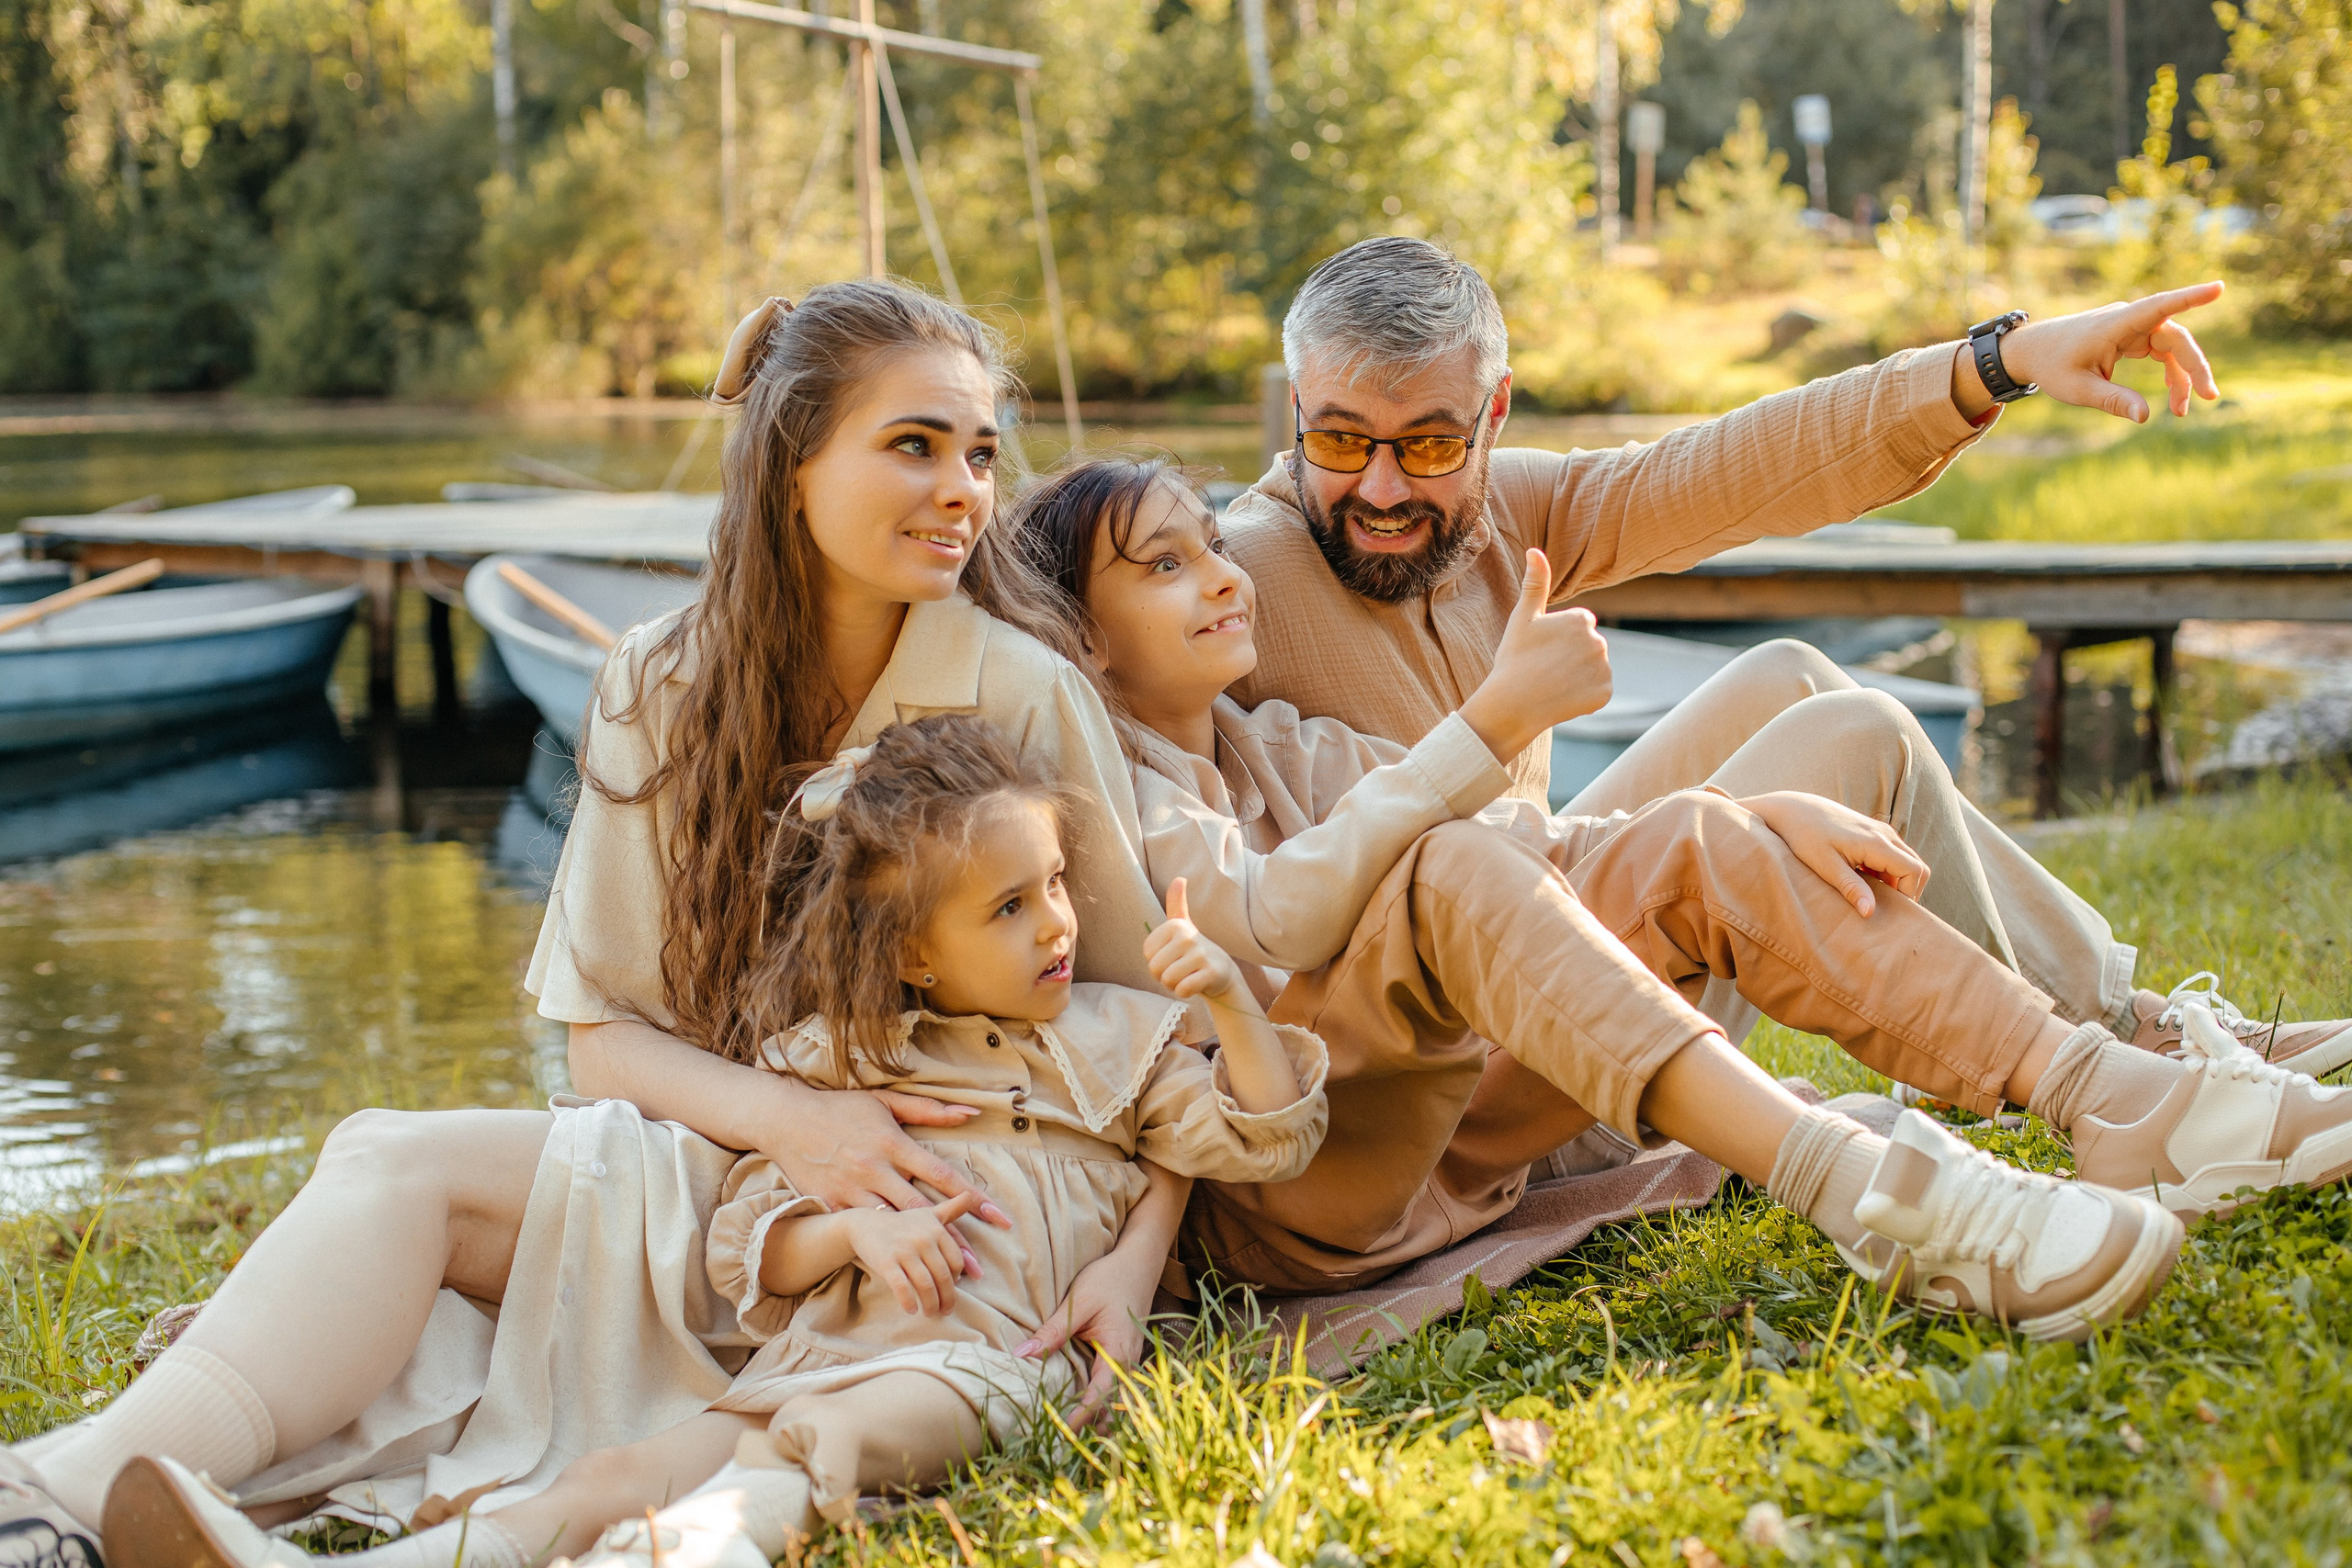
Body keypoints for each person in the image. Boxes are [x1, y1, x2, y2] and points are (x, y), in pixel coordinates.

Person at [0, 282, 1183, 1565]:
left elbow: (1158, 1030)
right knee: (391, 1158)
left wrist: (1132, 1268)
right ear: (790, 461)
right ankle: (54, 1497)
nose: (964, 485)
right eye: (915, 443)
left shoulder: (1021, 692)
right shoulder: (658, 680)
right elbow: (602, 1042)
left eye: (980, 450)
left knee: (425, 1310)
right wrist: (800, 1123)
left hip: (949, 1231)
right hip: (722, 1181)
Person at [1008, 453, 2352, 1317]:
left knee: (1664, 829)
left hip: (1450, 1107)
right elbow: (1282, 911)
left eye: (1211, 545)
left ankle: (2114, 1090)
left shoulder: (1281, 737)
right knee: (1462, 851)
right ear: (1082, 636)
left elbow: (1555, 852)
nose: (1224, 574)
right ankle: (1883, 1185)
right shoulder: (1113, 795)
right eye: (1165, 565)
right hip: (1308, 1175)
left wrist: (1738, 821)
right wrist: (1489, 724)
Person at [100, 716, 1332, 1568]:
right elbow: (750, 1244)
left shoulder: (1121, 1043)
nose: (1058, 922)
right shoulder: (852, 1068)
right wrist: (851, 1222)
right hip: (805, 1365)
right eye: (1010, 906)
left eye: (1057, 882)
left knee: (854, 1430)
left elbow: (1267, 1130)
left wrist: (1228, 997)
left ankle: (725, 1524)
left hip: (1003, 1356)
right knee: (610, 1475)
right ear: (913, 953)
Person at [1221, 236, 2352, 1067]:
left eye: (1426, 441)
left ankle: (2128, 1019)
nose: (1378, 488)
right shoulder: (1235, 575)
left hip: (1550, 917)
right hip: (1452, 1054)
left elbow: (1733, 467)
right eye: (1336, 439)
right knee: (1857, 730)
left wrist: (1998, 362)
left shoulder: (1500, 512)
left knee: (1795, 682)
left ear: (1494, 414)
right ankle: (2113, 1055)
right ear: (1294, 416)